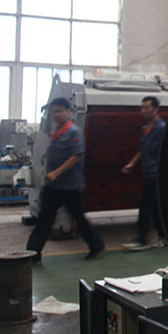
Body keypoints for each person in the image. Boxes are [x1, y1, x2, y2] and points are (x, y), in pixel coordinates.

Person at [26, 98, 105, 264]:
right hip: (53, 186)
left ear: (69, 112)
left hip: (70, 187)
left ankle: (96, 245)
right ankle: (32, 254)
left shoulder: (73, 132)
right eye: (54, 111)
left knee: (79, 219)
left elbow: (76, 156)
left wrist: (56, 173)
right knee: (44, 220)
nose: (56, 115)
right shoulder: (57, 132)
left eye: (60, 111)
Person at [121, 96, 167, 251]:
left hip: (156, 174)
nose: (143, 111)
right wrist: (132, 164)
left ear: (156, 109)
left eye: (147, 108)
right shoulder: (145, 128)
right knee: (156, 208)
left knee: (146, 205)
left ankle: (142, 239)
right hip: (147, 172)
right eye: (142, 108)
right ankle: (164, 237)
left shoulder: (161, 128)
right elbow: (141, 149)